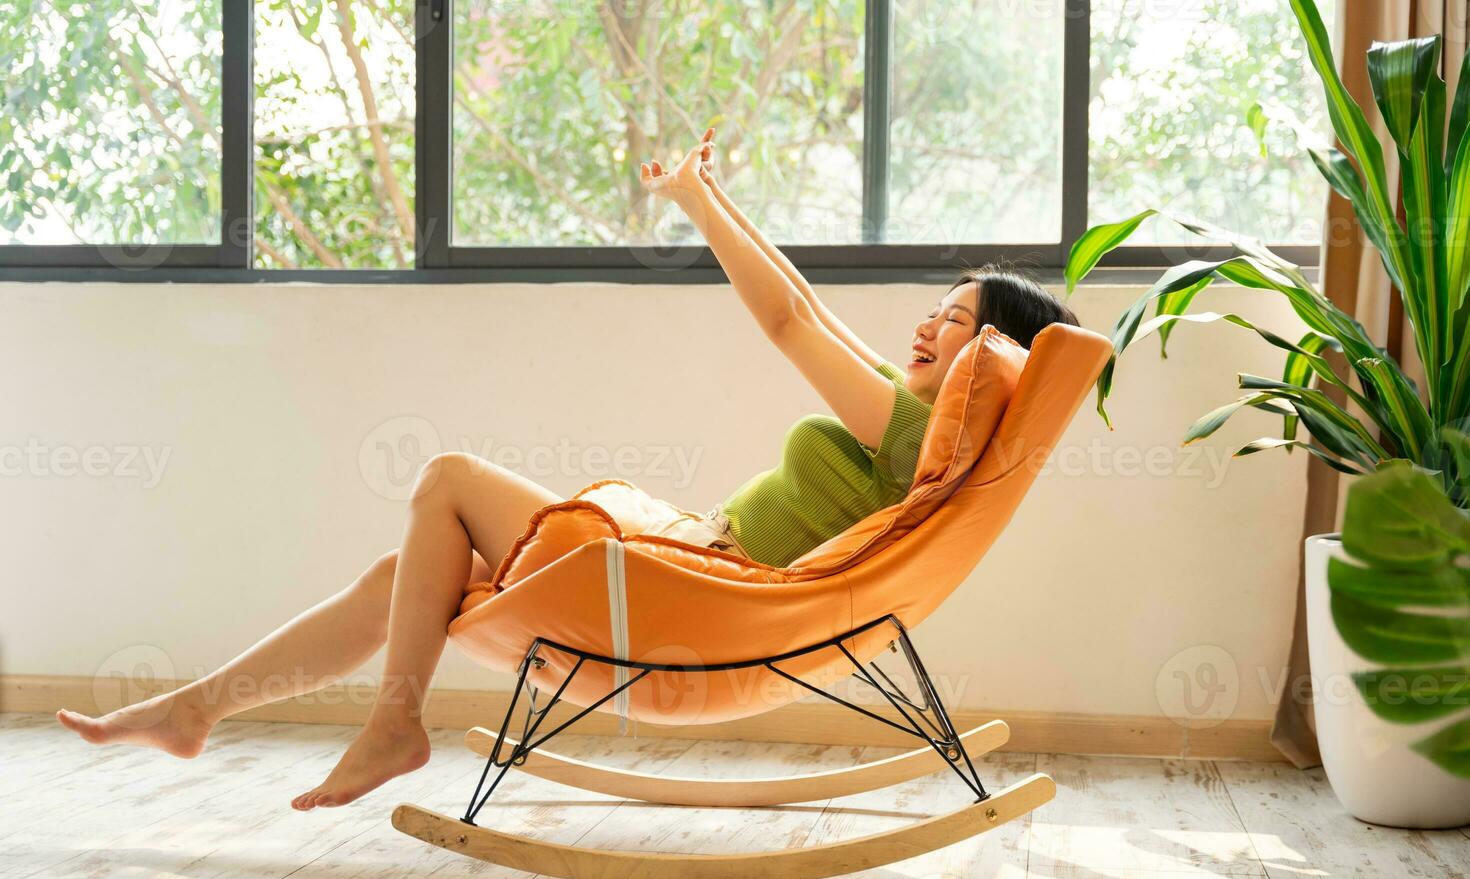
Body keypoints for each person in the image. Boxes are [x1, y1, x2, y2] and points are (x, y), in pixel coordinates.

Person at [56, 127, 1078, 810]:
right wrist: (701, 191)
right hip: (686, 563)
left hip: (700, 589)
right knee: (401, 576)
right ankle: (198, 709)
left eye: (953, 320)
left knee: (447, 476)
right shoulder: (915, 434)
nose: (925, 323)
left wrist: (698, 203)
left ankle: (394, 720)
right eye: (936, 307)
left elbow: (791, 317)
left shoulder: (912, 437)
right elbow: (806, 307)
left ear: (991, 362)